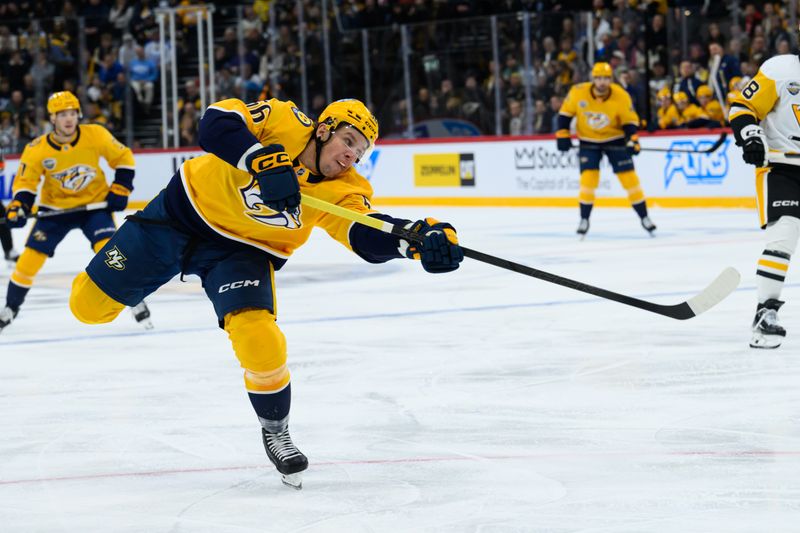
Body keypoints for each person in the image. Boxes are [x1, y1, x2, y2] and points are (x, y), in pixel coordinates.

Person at [68, 97, 464, 489]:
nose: (350, 157)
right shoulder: (283, 120)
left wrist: (413, 239)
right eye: (348, 141)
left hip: (242, 252)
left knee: (262, 341)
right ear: (324, 129)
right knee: (86, 308)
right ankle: (125, 275)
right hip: (176, 219)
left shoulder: (345, 188)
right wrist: (259, 158)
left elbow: (363, 232)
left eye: (359, 153)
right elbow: (215, 122)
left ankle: (276, 430)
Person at [0, 91, 152, 333]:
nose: (69, 119)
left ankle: (134, 299)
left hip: (93, 208)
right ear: (52, 118)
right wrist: (19, 206)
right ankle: (10, 308)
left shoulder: (95, 134)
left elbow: (123, 157)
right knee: (28, 262)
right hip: (55, 211)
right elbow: (26, 184)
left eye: (72, 113)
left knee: (109, 253)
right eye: (62, 114)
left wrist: (121, 188)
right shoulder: (37, 148)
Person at [728, 54, 800, 349]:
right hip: (782, 168)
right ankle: (765, 312)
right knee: (784, 233)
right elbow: (743, 107)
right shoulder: (780, 69)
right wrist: (751, 136)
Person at [556, 62, 656, 238]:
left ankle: (644, 217)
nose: (602, 82)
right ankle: (584, 219)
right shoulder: (578, 92)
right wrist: (563, 135)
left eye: (605, 78)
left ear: (611, 79)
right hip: (588, 140)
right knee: (588, 181)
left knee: (630, 180)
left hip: (615, 139)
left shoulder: (621, 95)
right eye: (598, 78)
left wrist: (633, 140)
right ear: (592, 79)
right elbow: (564, 115)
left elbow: (629, 122)